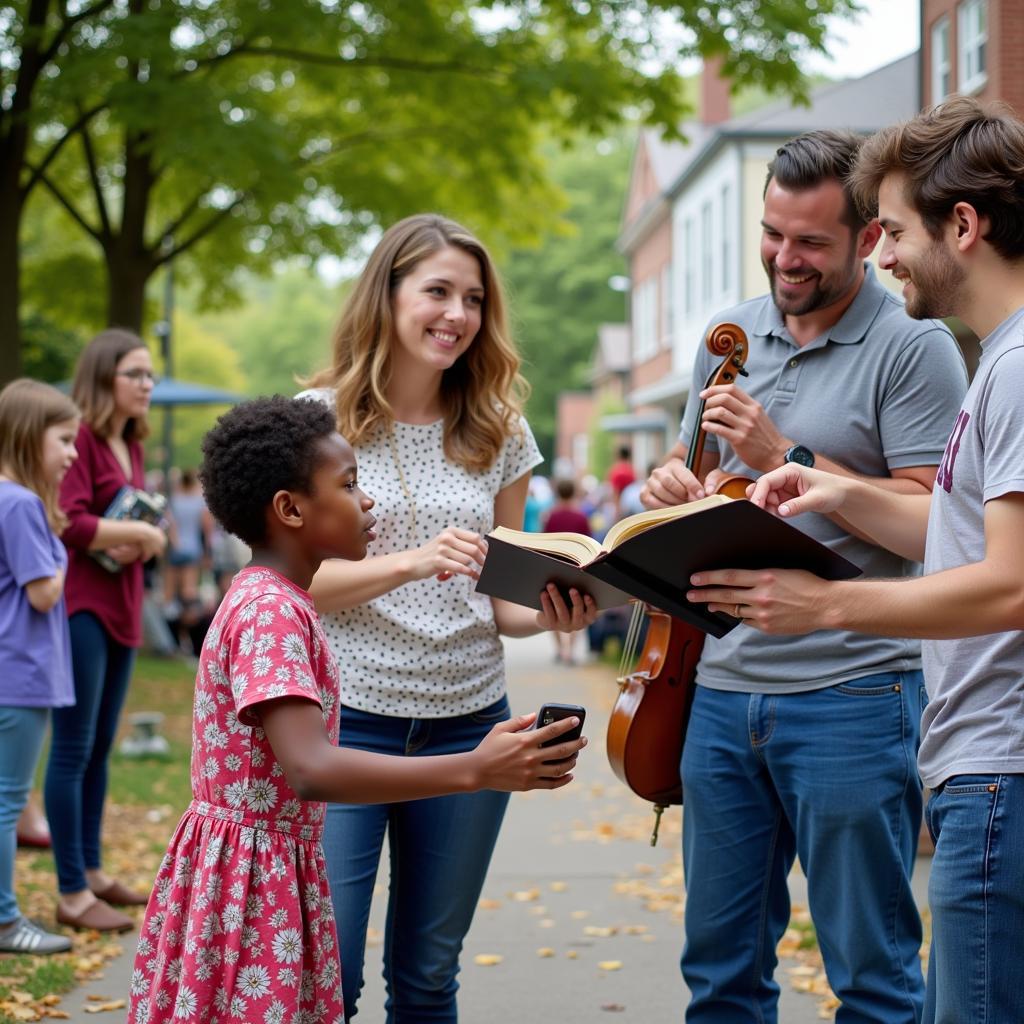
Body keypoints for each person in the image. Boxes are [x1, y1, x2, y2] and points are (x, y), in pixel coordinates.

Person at [688, 97, 1024, 1024]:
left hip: (906, 715)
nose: (882, 255)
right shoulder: (729, 338)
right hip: (736, 688)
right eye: (772, 236)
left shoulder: (962, 354)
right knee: (720, 973)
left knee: (884, 983)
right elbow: (956, 528)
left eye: (893, 231)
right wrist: (802, 488)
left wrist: (821, 587)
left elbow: (984, 562)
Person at [125, 395, 586, 1024]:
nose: (367, 502)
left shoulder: (280, 600)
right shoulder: (270, 613)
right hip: (253, 888)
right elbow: (310, 768)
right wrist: (475, 769)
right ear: (289, 509)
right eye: (349, 485)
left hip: (269, 870)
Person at [298, 212, 598, 1021]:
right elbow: (288, 584)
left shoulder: (498, 429)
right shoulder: (315, 421)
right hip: (344, 725)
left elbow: (500, 599)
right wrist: (414, 559)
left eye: (473, 297)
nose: (457, 314)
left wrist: (556, 613)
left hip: (471, 724)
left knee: (429, 974)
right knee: (329, 976)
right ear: (388, 295)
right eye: (437, 291)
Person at [46, 329, 168, 933]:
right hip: (81, 609)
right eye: (136, 375)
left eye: (150, 375)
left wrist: (138, 538)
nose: (147, 385)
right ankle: (70, 892)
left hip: (122, 607)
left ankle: (93, 873)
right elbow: (66, 519)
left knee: (98, 748)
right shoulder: (85, 440)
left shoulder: (130, 443)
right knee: (72, 748)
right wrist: (141, 537)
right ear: (104, 379)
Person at [0, 380, 79, 956]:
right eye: (65, 440)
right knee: (8, 800)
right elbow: (44, 594)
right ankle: (5, 922)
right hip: (20, 672)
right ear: (32, 438)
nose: (73, 453)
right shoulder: (23, 504)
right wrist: (63, 554)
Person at [543, 478, 592, 664]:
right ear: (573, 492)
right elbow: (589, 543)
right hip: (576, 568)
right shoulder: (580, 517)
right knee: (578, 608)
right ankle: (570, 651)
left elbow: (545, 542)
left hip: (554, 567)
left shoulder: (551, 516)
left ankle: (558, 649)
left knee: (551, 608)